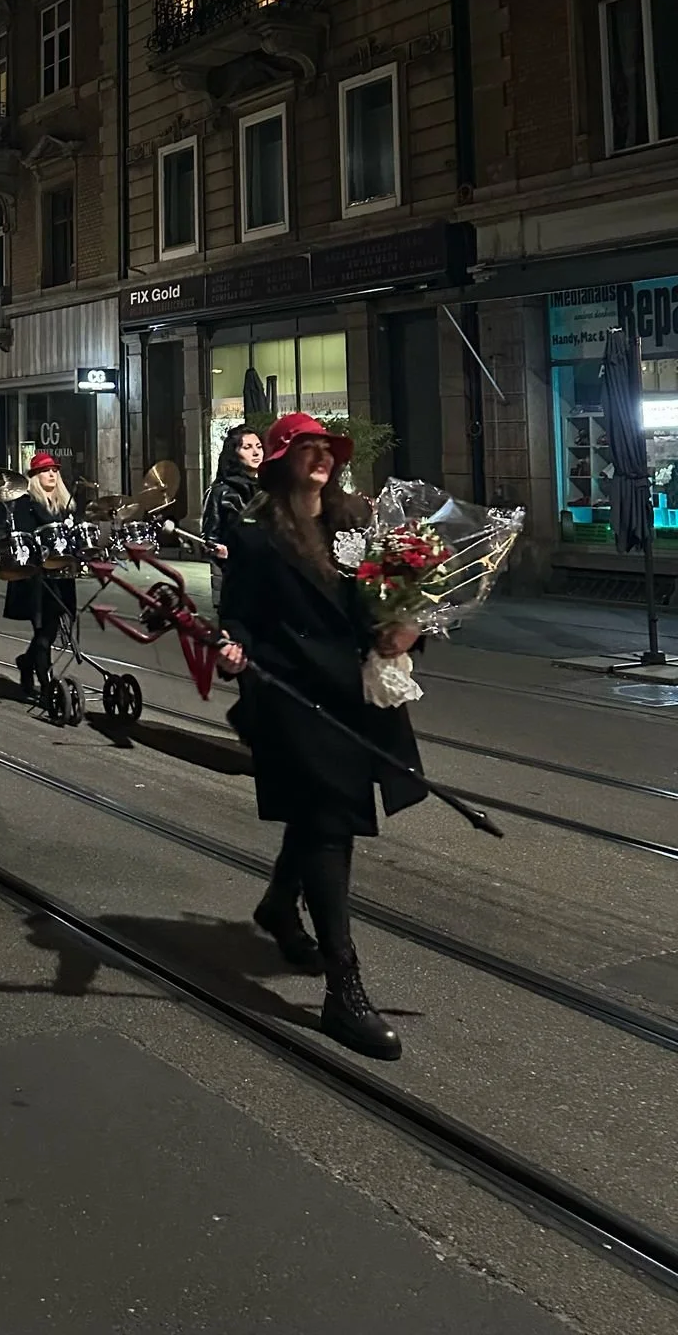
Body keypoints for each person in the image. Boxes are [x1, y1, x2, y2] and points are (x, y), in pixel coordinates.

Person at [217, 412, 422, 1061]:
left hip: (351, 693)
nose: (319, 457)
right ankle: (345, 987)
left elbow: (389, 597)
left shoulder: (355, 520)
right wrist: (232, 648)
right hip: (291, 698)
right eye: (305, 449)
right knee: (329, 826)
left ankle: (280, 905)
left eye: (325, 448)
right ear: (280, 461)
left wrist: (409, 625)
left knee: (318, 818)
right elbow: (240, 616)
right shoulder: (254, 532)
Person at [3, 452, 78, 700]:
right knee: (43, 631)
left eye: (55, 470)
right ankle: (46, 685)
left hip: (61, 574)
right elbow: (22, 539)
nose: (52, 474)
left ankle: (26, 662)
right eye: (46, 471)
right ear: (35, 477)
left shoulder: (63, 505)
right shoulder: (26, 502)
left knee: (50, 628)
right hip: (36, 575)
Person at [201, 425, 264, 603]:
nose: (256, 453)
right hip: (236, 577)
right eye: (247, 447)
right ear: (234, 453)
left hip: (269, 576)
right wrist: (222, 553)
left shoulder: (269, 488)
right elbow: (209, 538)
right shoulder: (220, 492)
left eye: (259, 447)